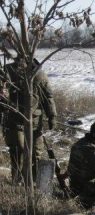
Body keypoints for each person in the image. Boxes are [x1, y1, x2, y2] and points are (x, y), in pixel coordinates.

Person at [0, 55, 56, 184]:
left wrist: (52, 115)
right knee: (16, 151)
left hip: (35, 121)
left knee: (36, 153)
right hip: (13, 120)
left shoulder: (39, 74)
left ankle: (32, 182)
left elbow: (48, 97)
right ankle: (16, 182)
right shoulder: (7, 71)